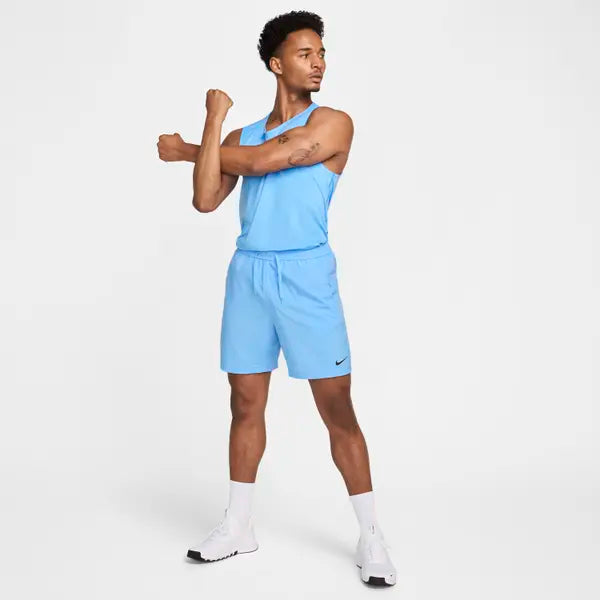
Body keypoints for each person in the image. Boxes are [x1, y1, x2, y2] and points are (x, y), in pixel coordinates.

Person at [157, 10, 396, 587]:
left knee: (336, 408)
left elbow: (271, 160)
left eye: (322, 53)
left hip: (306, 275)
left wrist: (189, 147)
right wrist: (216, 121)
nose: (319, 63)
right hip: (249, 274)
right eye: (305, 53)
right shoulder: (238, 135)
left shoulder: (333, 123)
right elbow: (206, 200)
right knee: (244, 402)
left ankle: (371, 535)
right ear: (276, 63)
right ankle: (238, 524)